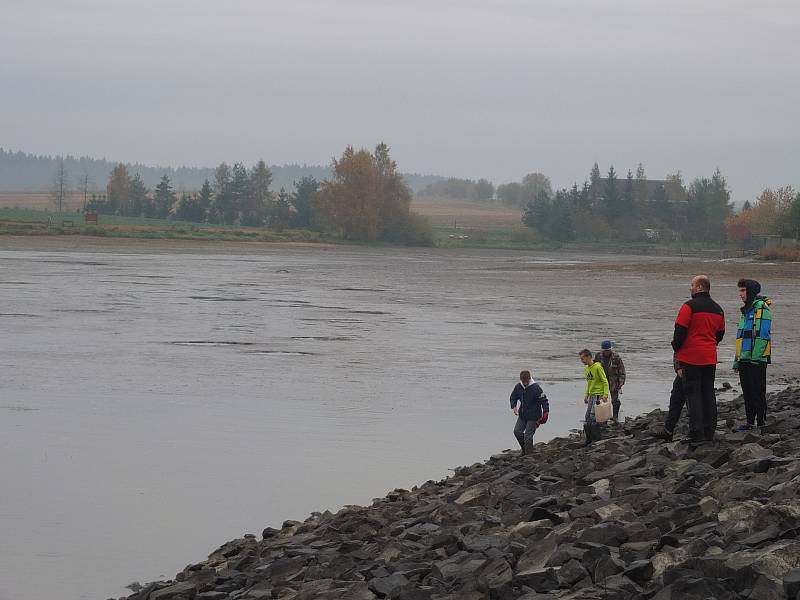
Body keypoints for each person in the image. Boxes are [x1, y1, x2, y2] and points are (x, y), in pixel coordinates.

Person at [671, 274, 725, 446]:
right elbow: (720, 333)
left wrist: (677, 347)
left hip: (691, 357)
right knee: (708, 393)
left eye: (692, 285)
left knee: (693, 394)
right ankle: (709, 431)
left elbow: (679, 331)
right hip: (709, 357)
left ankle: (697, 433)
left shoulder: (688, 307)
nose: (690, 288)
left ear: (700, 287)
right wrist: (709, 343)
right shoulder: (718, 309)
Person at [733, 278, 773, 433]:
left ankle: (762, 422)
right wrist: (737, 360)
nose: (740, 294)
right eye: (740, 290)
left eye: (743, 290)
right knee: (747, 391)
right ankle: (750, 422)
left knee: (757, 391)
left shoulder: (762, 309)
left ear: (751, 291)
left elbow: (763, 336)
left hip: (757, 360)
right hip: (744, 359)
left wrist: (755, 359)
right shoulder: (745, 311)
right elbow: (740, 338)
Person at [509, 370, 550, 456]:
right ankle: (525, 450)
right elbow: (513, 397)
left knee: (528, 436)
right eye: (523, 382)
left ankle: (529, 454)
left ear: (529, 378)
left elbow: (544, 401)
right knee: (517, 432)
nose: (525, 383)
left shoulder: (536, 388)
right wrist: (514, 406)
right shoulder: (518, 387)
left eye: (526, 382)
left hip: (534, 416)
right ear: (520, 380)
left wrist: (545, 413)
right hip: (523, 415)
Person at [579, 349, 609, 446]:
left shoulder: (597, 367)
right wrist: (586, 395)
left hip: (598, 395)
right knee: (587, 417)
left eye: (583, 359)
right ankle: (589, 438)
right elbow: (589, 383)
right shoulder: (587, 369)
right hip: (591, 395)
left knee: (593, 417)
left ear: (589, 357)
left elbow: (605, 381)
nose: (582, 361)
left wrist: (605, 395)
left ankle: (596, 438)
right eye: (581, 359)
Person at [654, 356, 687, 442]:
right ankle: (668, 430)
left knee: (694, 401)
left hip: (696, 367)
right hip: (686, 366)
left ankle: (699, 432)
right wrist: (678, 367)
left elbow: (676, 345)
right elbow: (676, 346)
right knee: (675, 399)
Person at [594, 340, 626, 422]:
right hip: (601, 382)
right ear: (602, 350)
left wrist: (621, 383)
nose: (607, 352)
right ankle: (601, 418)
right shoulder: (598, 356)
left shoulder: (616, 357)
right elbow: (594, 369)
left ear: (611, 349)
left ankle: (615, 417)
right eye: (605, 350)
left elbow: (622, 371)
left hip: (614, 382)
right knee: (600, 401)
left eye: (608, 350)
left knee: (615, 400)